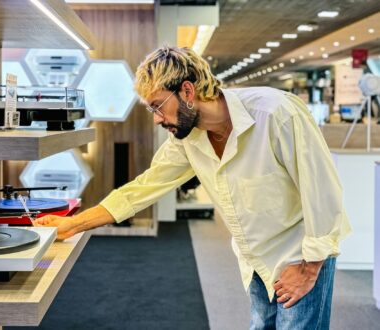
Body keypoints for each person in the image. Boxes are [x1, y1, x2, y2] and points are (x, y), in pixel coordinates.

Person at [36, 46, 351, 329]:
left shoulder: (276, 113)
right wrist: (73, 224)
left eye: (158, 106)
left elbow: (323, 194)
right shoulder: (187, 140)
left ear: (187, 90)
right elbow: (142, 189)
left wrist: (309, 269)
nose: (157, 120)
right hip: (255, 262)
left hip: (302, 256)